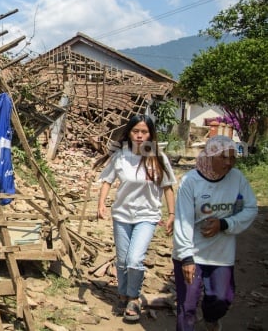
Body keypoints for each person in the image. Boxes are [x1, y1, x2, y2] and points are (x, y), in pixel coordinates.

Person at [94, 114, 176, 322]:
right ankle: (122, 294)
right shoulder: (120, 156)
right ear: (129, 133)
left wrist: (172, 214)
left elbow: (168, 187)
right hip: (121, 214)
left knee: (134, 259)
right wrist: (101, 204)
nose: (140, 136)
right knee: (122, 260)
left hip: (147, 216)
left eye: (144, 132)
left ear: (150, 134)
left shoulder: (158, 157)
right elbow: (107, 180)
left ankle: (133, 298)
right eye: (136, 131)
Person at [172, 135, 258, 331]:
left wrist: (225, 223)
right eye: (223, 157)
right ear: (210, 155)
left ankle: (211, 319)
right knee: (187, 307)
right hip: (191, 252)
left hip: (221, 253)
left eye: (232, 157)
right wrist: (186, 257)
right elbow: (183, 220)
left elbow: (251, 208)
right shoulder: (190, 181)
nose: (228, 163)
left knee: (221, 299)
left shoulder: (237, 179)